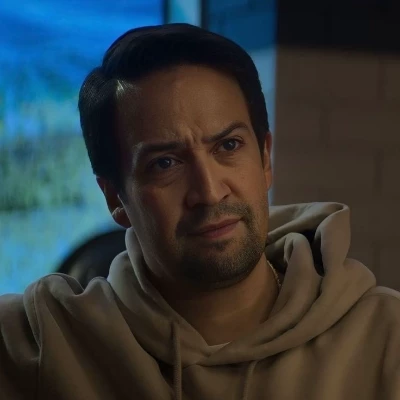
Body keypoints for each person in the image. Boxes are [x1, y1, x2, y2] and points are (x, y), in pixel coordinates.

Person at [0, 23, 399, 400]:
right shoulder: (51, 340)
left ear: (265, 159)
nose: (209, 192)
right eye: (165, 164)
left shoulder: (384, 336)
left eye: (228, 146)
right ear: (114, 199)